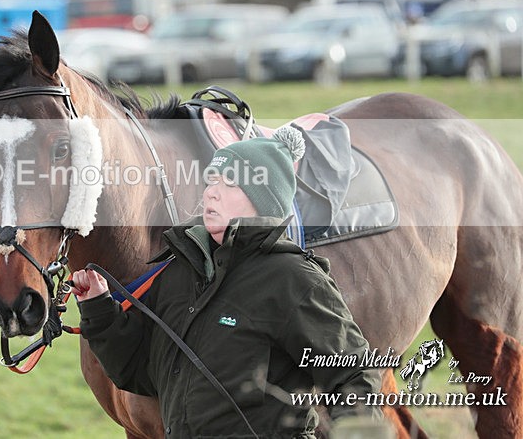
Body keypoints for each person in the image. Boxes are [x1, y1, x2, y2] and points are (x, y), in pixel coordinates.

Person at [72, 127, 383, 438]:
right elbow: (143, 373)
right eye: (211, 181)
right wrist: (100, 312)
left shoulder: (294, 280)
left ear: (264, 202)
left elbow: (355, 375)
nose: (211, 192)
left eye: (229, 183)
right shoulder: (178, 272)